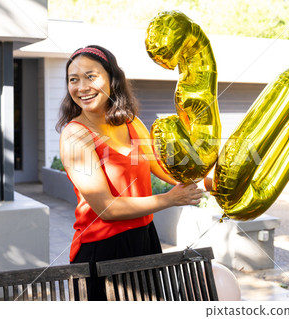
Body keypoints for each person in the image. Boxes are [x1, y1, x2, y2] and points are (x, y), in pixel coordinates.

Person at [56, 45, 204, 300]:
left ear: (113, 80)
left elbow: (161, 168)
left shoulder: (131, 121)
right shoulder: (75, 135)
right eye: (73, 79)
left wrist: (216, 179)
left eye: (91, 76)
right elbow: (107, 209)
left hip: (145, 238)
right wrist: (170, 199)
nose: (81, 87)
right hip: (101, 249)